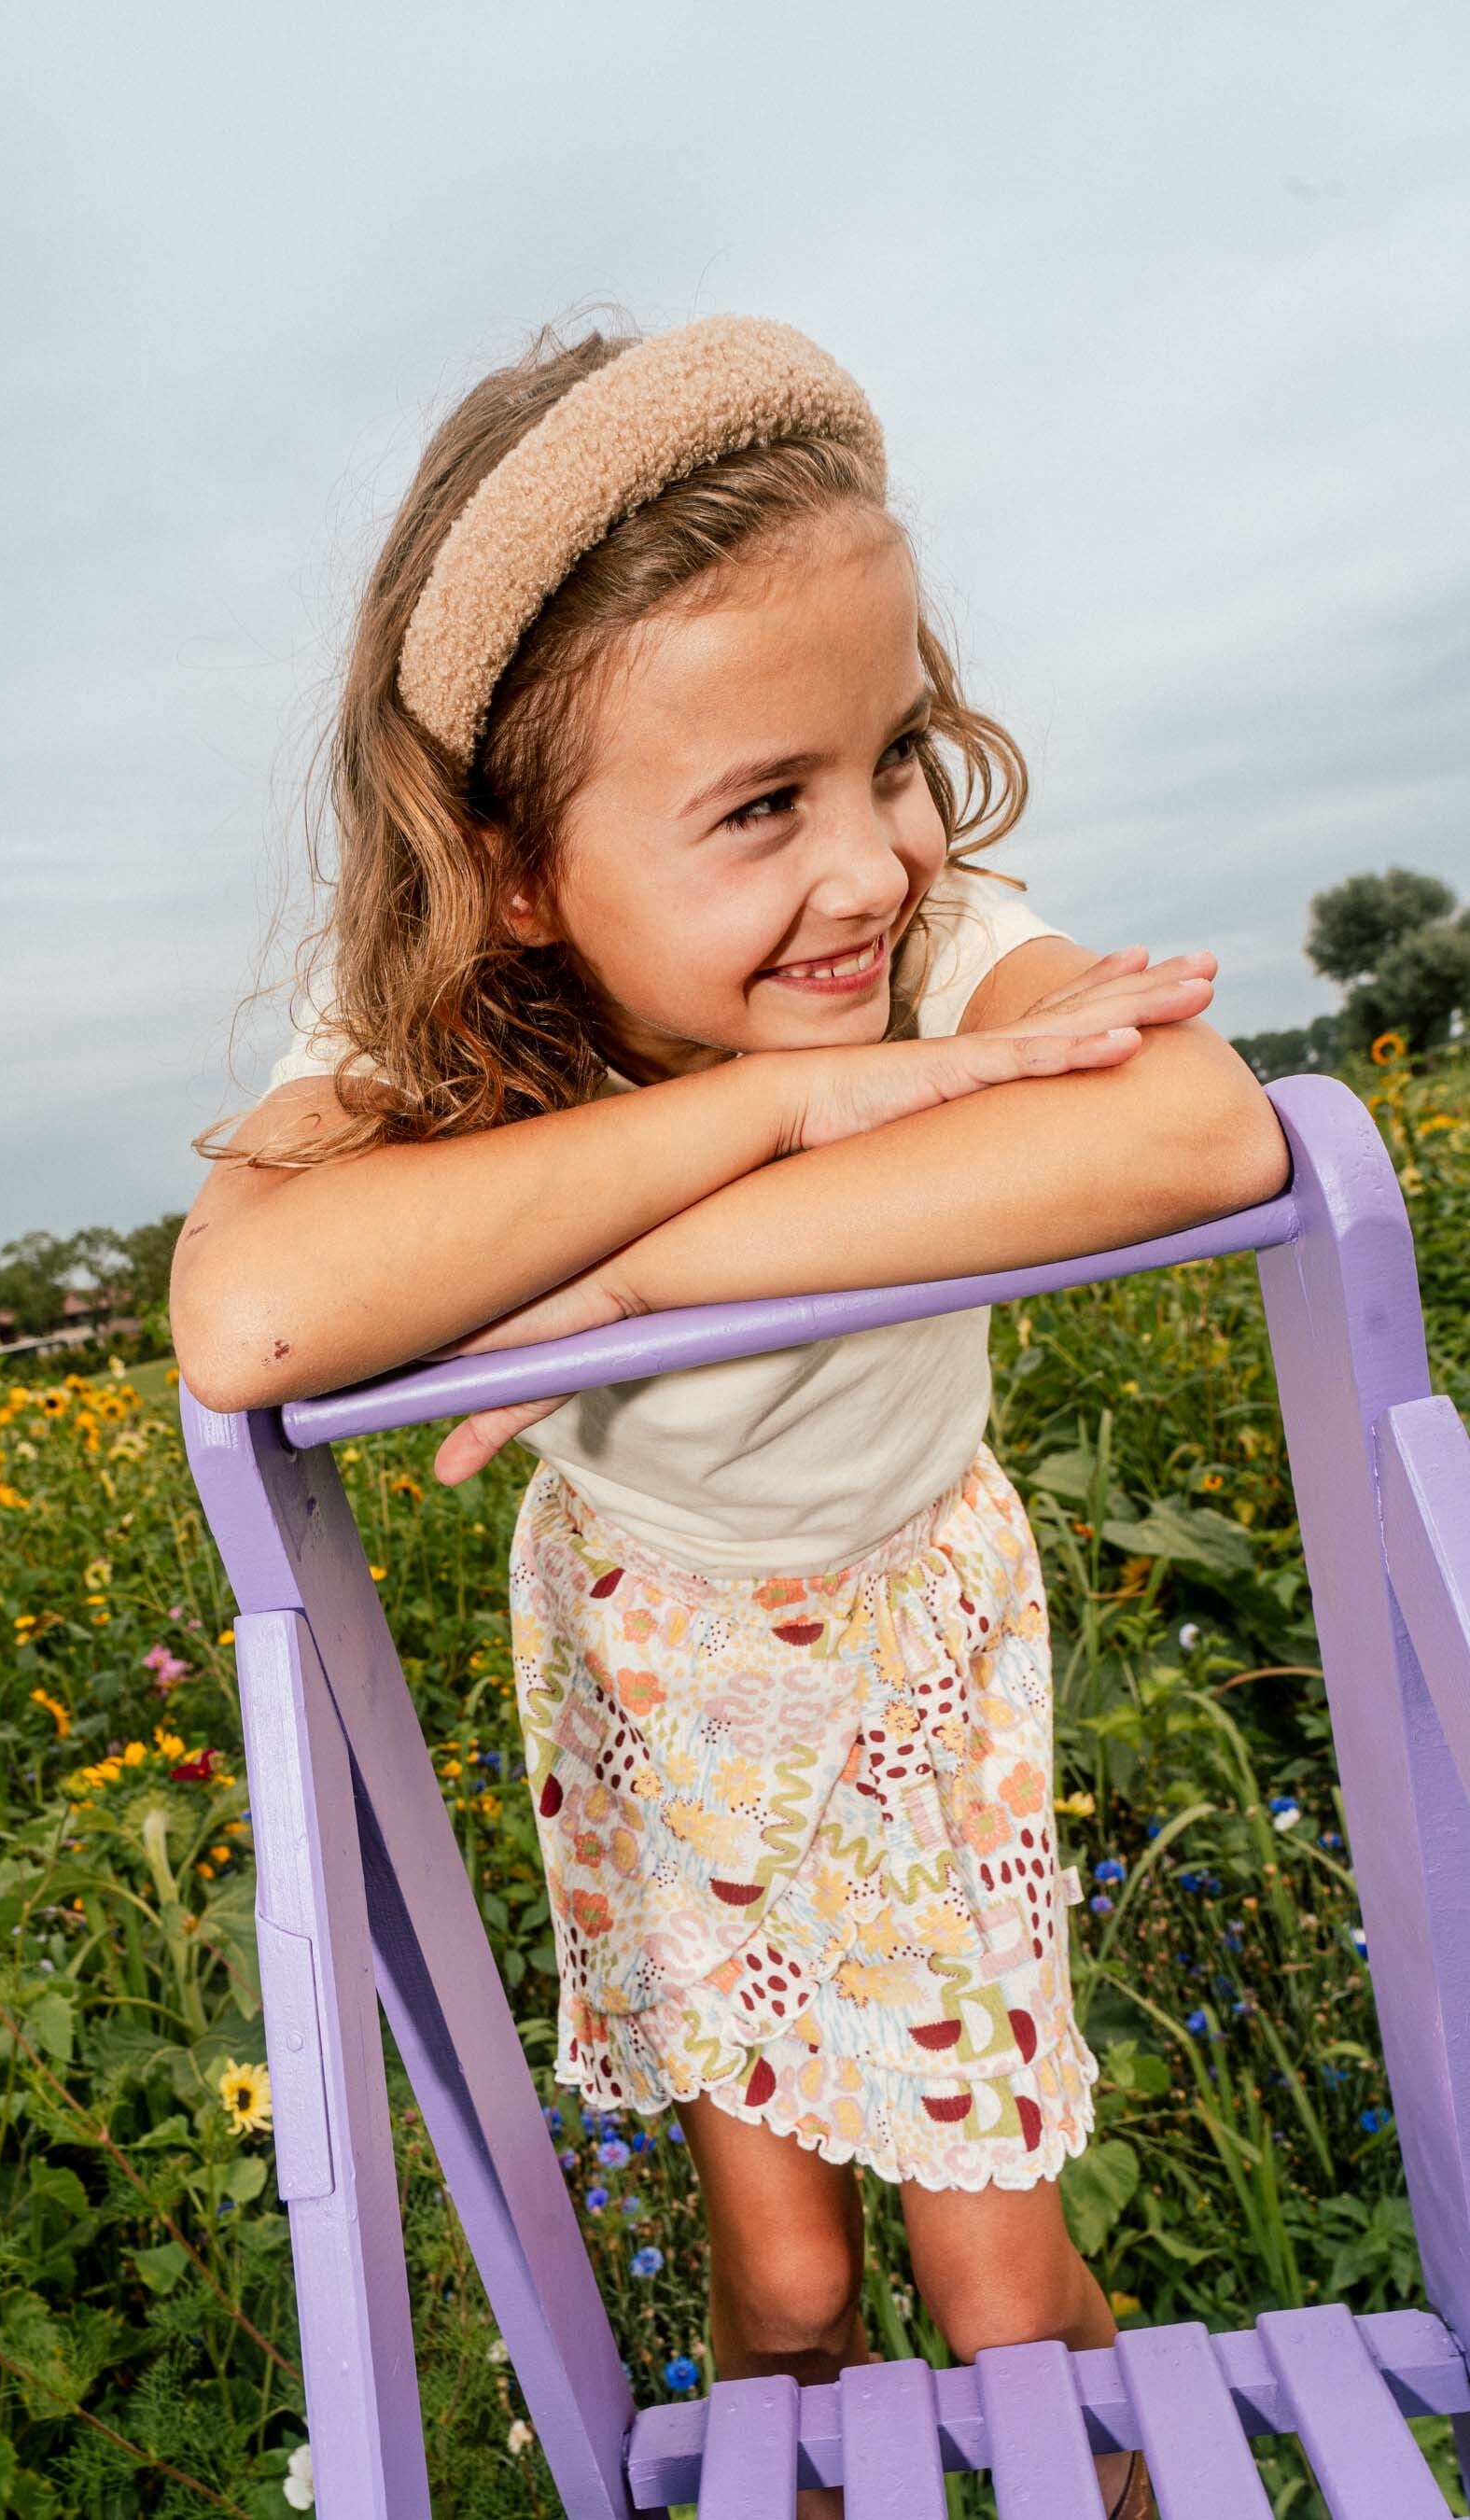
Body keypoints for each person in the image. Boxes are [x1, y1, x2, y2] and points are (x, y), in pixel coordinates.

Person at [173, 312, 1292, 2520]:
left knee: (1001, 2288)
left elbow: (1202, 1126)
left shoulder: (948, 927)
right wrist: (804, 1104)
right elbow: (257, 1313)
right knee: (781, 2287)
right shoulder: (462, 993)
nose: (872, 864)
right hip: (656, 1662)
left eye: (885, 758)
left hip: (915, 1649)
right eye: (763, 805)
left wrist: (642, 1273)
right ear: (513, 868)